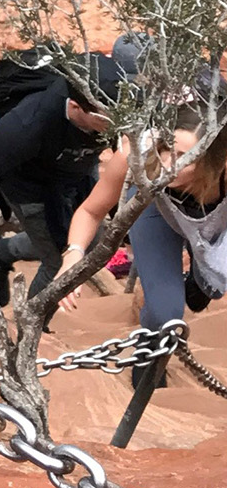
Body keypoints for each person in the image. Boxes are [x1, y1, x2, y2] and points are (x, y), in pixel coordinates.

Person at [0, 54, 122, 305]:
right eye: (105, 118)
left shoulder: (113, 108)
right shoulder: (30, 121)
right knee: (58, 259)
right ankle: (32, 330)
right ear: (75, 107)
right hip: (29, 185)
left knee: (91, 238)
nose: (116, 124)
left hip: (75, 168)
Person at [59, 102, 227, 351]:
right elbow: (90, 211)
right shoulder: (138, 153)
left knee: (213, 285)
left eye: (185, 158)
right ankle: (148, 369)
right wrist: (72, 256)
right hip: (157, 211)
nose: (169, 164)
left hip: (216, 218)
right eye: (166, 149)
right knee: (165, 316)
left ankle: (200, 279)